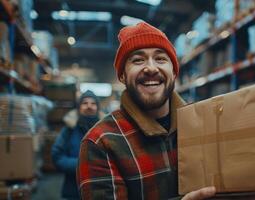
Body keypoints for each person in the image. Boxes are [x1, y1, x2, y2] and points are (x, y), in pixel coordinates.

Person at [77, 22, 216, 200]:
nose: (151, 68)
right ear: (122, 76)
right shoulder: (100, 142)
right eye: (138, 60)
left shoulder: (204, 123)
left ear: (174, 72)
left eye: (160, 59)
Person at [52, 90, 101, 200]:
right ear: (79, 108)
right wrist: (82, 166)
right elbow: (57, 156)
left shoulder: (105, 131)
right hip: (73, 192)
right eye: (85, 103)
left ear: (98, 108)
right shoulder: (69, 129)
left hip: (100, 192)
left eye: (93, 103)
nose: (89, 106)